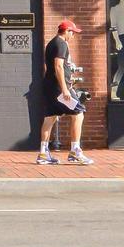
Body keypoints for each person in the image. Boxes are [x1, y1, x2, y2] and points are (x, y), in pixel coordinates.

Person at [37, 18, 92, 165]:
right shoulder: (61, 43)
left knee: (50, 117)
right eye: (72, 32)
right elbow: (58, 66)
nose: (73, 36)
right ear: (66, 31)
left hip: (49, 86)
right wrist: (65, 89)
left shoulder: (51, 43)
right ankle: (75, 151)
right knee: (79, 113)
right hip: (59, 88)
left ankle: (43, 153)